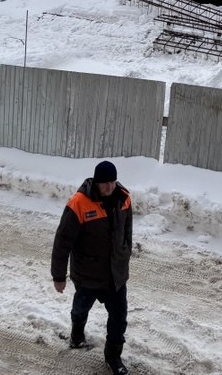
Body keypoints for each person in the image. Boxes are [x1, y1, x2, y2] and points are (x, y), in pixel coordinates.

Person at [52, 160, 133, 375]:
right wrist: (58, 276)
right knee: (81, 308)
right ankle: (77, 332)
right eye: (105, 183)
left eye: (113, 182)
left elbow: (127, 231)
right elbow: (62, 241)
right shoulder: (79, 203)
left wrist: (125, 253)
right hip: (87, 273)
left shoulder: (124, 198)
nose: (110, 187)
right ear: (96, 182)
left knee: (119, 317)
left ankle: (113, 357)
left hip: (115, 275)